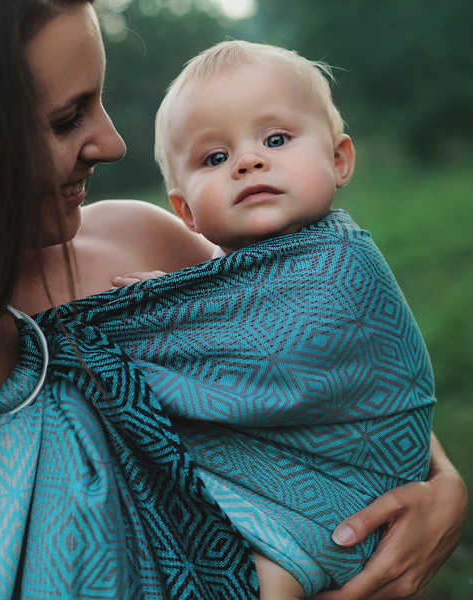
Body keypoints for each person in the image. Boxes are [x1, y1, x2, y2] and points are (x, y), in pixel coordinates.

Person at [0, 2, 467, 599]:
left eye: (99, 100)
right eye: (68, 120)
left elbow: (317, 388)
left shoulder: (143, 240)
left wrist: (445, 492)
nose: (115, 143)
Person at [114, 40, 433, 600]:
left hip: (352, 490)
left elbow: (289, 360)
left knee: (270, 578)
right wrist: (166, 307)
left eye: (276, 140)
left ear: (339, 159)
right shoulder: (207, 283)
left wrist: (149, 327)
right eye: (215, 158)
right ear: (185, 211)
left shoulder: (342, 260)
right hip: (265, 488)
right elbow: (214, 333)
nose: (248, 162)